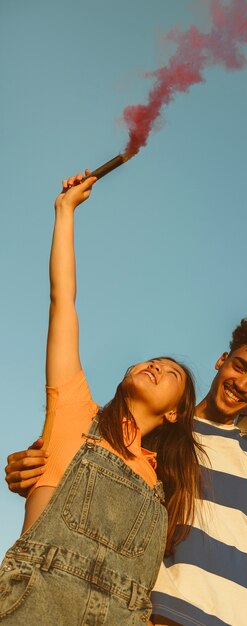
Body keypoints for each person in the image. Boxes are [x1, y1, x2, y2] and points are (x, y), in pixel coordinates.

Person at [5, 299, 247, 622]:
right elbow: (90, 464)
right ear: (221, 361)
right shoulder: (161, 435)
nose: (242, 383)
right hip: (167, 611)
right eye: (239, 367)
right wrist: (35, 469)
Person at [0, 172, 203, 625]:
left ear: (175, 412)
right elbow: (63, 300)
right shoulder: (73, 410)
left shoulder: (163, 486)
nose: (156, 366)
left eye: (171, 373)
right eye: (151, 361)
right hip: (37, 603)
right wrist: (65, 211)